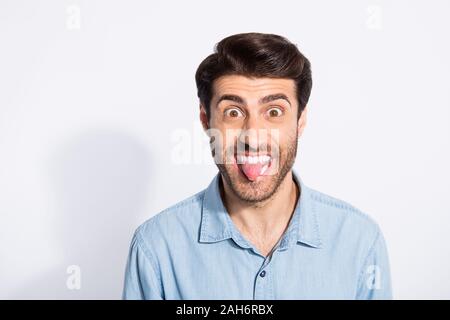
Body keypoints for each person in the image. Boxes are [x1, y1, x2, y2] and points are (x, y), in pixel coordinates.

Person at [122, 32, 392, 299]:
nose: (252, 136)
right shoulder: (155, 247)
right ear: (206, 120)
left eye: (274, 112)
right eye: (233, 112)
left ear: (300, 121)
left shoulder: (360, 242)